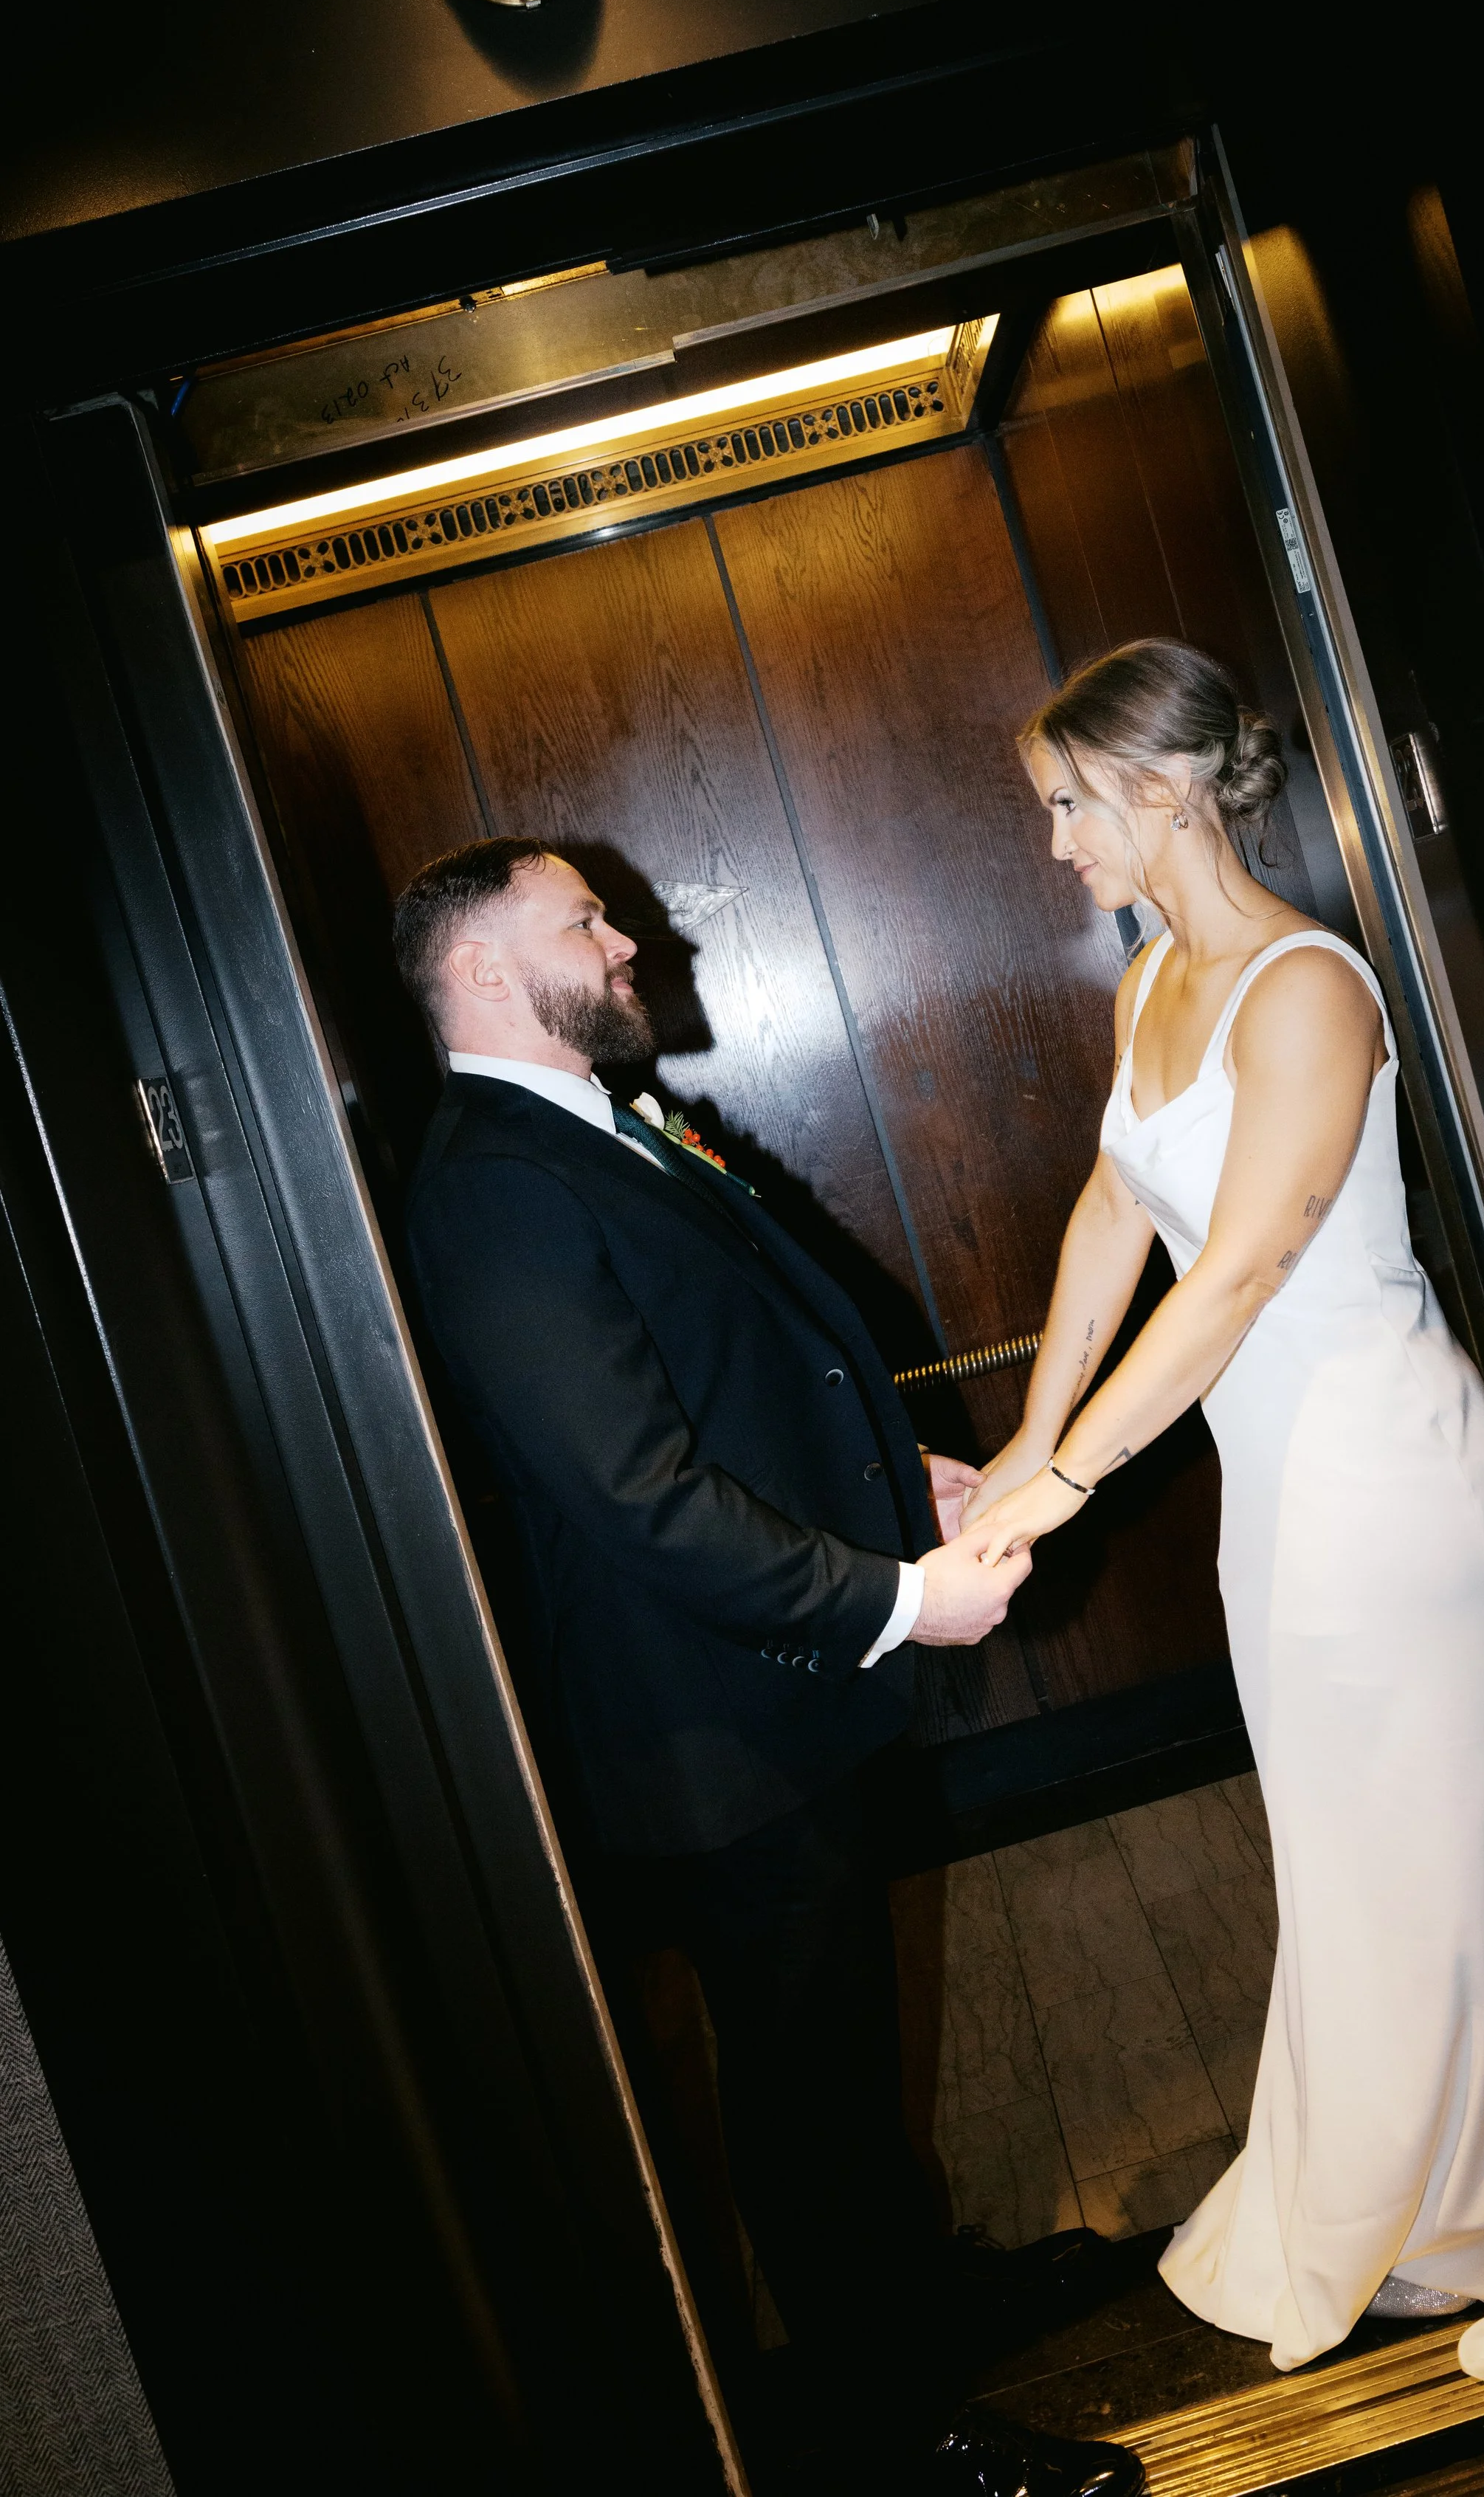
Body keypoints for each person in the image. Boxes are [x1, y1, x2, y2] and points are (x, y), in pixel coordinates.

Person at [963, 641, 1484, 2384]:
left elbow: (1239, 1273)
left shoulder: (1309, 988)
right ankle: (1440, 2198)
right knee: (1357, 1847)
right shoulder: (1149, 982)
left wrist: (1060, 1494)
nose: (1055, 842)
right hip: (1274, 1479)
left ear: (1159, 788)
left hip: (1385, 1472)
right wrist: (1023, 1436)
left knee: (1447, 1836)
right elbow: (1111, 1221)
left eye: (1067, 806)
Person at [392, 836, 1145, 2496]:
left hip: (774, 1693)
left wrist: (907, 1478)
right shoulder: (493, 1179)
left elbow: (747, 1372)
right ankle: (896, 2435)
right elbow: (638, 1496)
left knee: (841, 2062)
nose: (626, 935)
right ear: (493, 976)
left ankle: (911, 2300)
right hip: (710, 1725)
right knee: (804, 2097)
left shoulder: (586, 1133)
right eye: (583, 921)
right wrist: (891, 1597)